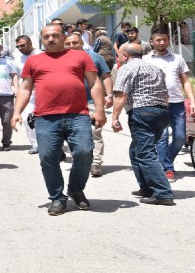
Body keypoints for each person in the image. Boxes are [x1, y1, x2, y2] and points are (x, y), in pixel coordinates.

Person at [11, 24, 106, 216]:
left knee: (85, 152)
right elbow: (25, 88)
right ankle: (56, 198)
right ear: (42, 39)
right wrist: (17, 112)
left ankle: (76, 189)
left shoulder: (81, 56)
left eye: (55, 36)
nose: (51, 39)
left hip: (78, 114)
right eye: (46, 37)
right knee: (48, 158)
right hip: (45, 117)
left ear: (64, 37)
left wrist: (100, 110)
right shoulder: (34, 60)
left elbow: (95, 83)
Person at [112, 43, 174, 205]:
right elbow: (166, 94)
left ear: (125, 55)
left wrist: (115, 117)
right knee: (135, 150)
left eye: (119, 55)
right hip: (161, 112)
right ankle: (146, 188)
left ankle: (163, 193)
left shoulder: (127, 68)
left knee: (146, 153)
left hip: (142, 112)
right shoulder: (155, 68)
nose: (118, 58)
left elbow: (121, 94)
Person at [143, 27, 195, 182]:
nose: (162, 42)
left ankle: (165, 162)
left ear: (169, 41)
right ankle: (168, 169)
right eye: (158, 40)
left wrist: (192, 100)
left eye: (164, 39)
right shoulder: (146, 60)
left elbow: (185, 81)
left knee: (179, 137)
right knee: (162, 137)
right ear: (152, 42)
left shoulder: (177, 58)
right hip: (156, 104)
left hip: (176, 103)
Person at [64, 33, 113, 178]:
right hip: (69, 104)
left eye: (75, 43)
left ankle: (96, 163)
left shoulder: (94, 56)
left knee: (94, 133)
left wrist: (109, 95)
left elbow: (106, 76)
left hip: (92, 102)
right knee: (72, 134)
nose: (72, 46)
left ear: (82, 43)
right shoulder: (60, 58)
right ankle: (80, 160)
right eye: (68, 43)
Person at [13, 35, 40, 154]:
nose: (20, 48)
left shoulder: (41, 55)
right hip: (27, 94)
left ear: (30, 43)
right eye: (18, 46)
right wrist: (16, 89)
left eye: (22, 45)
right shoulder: (18, 59)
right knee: (27, 118)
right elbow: (17, 77)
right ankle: (35, 144)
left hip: (42, 92)